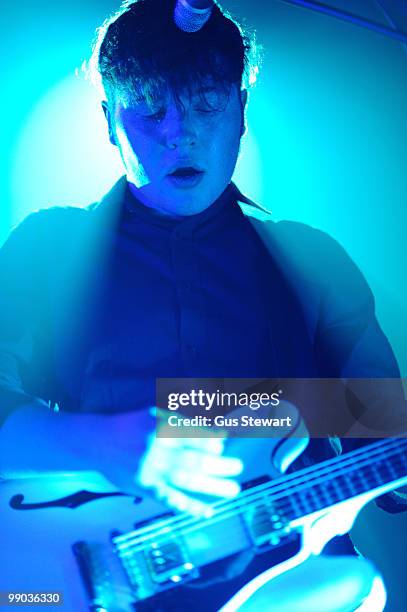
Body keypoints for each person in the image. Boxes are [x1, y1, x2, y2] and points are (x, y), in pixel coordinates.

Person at [0, 0, 406, 610]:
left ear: (241, 112)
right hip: (94, 575)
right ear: (108, 120)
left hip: (298, 587)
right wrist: (95, 441)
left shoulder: (313, 258)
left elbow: (386, 427)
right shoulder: (50, 245)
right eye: (148, 109)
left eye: (207, 104)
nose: (178, 132)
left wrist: (227, 410)